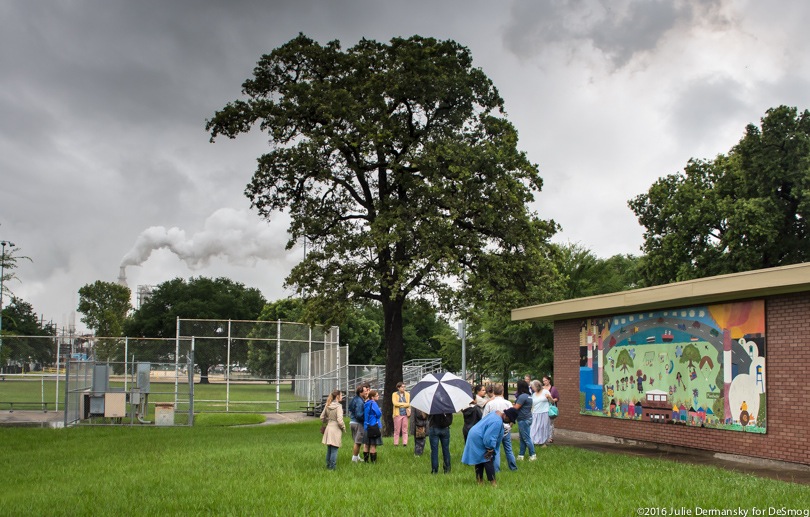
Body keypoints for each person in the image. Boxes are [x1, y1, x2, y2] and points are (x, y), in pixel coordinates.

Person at [461, 408, 519, 487]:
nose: (509, 422)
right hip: (479, 437)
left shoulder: (496, 412)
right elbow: (489, 437)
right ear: (507, 416)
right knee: (487, 459)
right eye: (510, 420)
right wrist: (490, 449)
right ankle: (493, 483)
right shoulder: (497, 422)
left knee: (480, 459)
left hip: (475, 434)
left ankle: (479, 481)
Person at [482, 383, 517, 471]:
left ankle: (496, 469)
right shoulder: (508, 402)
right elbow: (513, 415)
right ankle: (513, 467)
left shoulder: (490, 404)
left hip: (493, 429)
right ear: (502, 392)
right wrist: (509, 426)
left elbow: (484, 418)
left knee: (496, 450)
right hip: (506, 428)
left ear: (493, 392)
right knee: (508, 449)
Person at [320, 389, 346, 470]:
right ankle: (332, 467)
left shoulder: (328, 404)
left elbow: (322, 417)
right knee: (334, 449)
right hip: (336, 429)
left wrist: (328, 420)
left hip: (329, 427)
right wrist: (343, 427)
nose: (342, 397)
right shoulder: (339, 406)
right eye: (341, 395)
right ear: (338, 396)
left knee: (329, 449)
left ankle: (328, 466)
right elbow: (340, 420)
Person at [514, 379, 536, 461]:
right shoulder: (529, 396)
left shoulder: (522, 396)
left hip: (523, 419)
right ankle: (521, 455)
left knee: (526, 438)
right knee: (523, 438)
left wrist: (510, 406)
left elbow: (516, 407)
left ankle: (533, 455)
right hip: (528, 418)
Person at [348, 383, 370, 462]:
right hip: (358, 423)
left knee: (356, 441)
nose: (366, 393)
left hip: (352, 422)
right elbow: (359, 415)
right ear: (360, 392)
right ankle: (354, 459)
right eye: (364, 391)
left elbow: (350, 408)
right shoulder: (360, 402)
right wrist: (365, 419)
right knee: (358, 442)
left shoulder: (355, 399)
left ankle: (357, 456)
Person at [530, 379, 554, 447]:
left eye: (533, 387)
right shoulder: (534, 394)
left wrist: (549, 397)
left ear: (537, 386)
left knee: (543, 427)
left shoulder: (545, 392)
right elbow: (532, 404)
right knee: (534, 427)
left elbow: (552, 402)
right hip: (535, 413)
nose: (532, 388)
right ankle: (534, 441)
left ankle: (543, 442)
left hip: (544, 412)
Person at [363, 390, 383, 463]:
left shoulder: (366, 403)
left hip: (366, 426)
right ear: (372, 397)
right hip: (374, 426)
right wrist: (380, 411)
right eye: (377, 395)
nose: (378, 397)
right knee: (373, 445)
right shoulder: (373, 403)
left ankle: (366, 461)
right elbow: (378, 414)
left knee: (366, 444)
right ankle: (373, 462)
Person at [392, 382, 411, 446]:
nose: (404, 388)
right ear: (398, 388)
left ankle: (405, 443)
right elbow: (395, 403)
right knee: (397, 430)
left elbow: (408, 404)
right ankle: (396, 443)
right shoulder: (394, 394)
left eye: (404, 387)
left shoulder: (407, 394)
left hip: (405, 414)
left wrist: (401, 404)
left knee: (405, 429)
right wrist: (404, 404)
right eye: (402, 387)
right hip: (397, 414)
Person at [546, 375, 560, 443]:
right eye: (543, 381)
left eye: (545, 380)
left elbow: (557, 398)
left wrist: (551, 400)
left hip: (551, 408)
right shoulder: (542, 389)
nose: (544, 382)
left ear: (549, 380)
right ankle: (545, 436)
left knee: (550, 423)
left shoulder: (553, 389)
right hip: (544, 408)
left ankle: (550, 437)